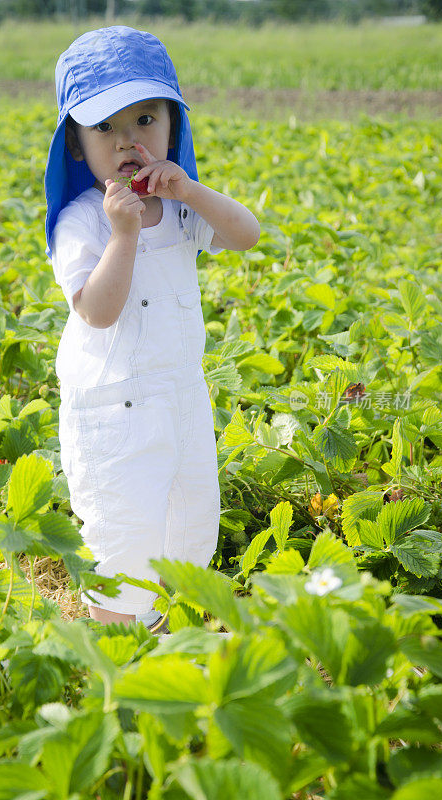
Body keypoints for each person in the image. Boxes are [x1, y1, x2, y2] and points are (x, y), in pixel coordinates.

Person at [44, 26, 260, 633]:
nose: (128, 141)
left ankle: (163, 632)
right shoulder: (85, 222)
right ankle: (115, 641)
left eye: (145, 119)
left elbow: (246, 234)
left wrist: (189, 188)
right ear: (77, 147)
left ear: (173, 128)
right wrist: (124, 234)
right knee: (124, 529)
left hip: (181, 395)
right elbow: (99, 310)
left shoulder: (183, 206)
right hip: (114, 408)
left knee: (187, 524)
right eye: (106, 127)